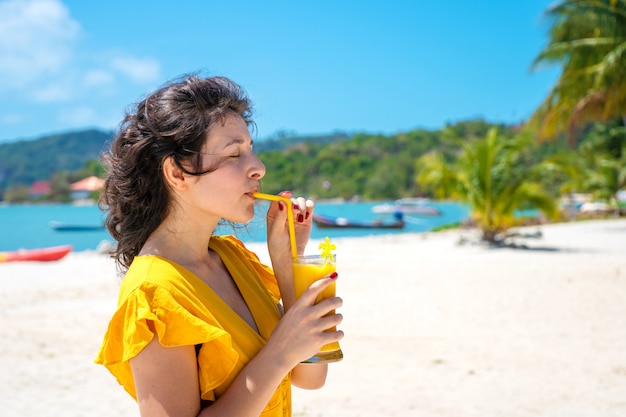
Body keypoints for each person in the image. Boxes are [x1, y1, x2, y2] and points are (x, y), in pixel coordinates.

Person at [95, 74, 343, 417]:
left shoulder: (231, 258)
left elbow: (311, 374)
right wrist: (278, 355)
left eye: (251, 151)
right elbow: (286, 361)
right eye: (234, 154)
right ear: (178, 174)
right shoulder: (154, 294)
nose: (258, 168)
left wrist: (288, 263)